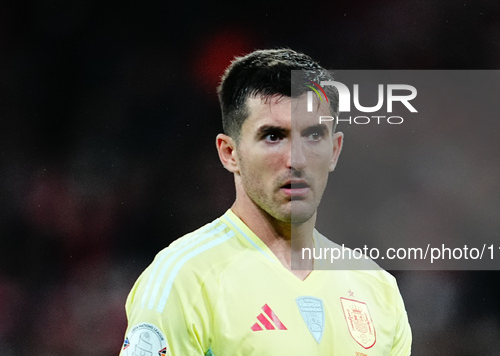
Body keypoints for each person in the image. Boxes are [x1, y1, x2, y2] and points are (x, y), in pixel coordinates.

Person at [120, 48, 412, 355]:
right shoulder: (184, 280)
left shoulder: (377, 288)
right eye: (273, 136)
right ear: (229, 153)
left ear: (335, 150)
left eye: (313, 135)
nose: (296, 159)